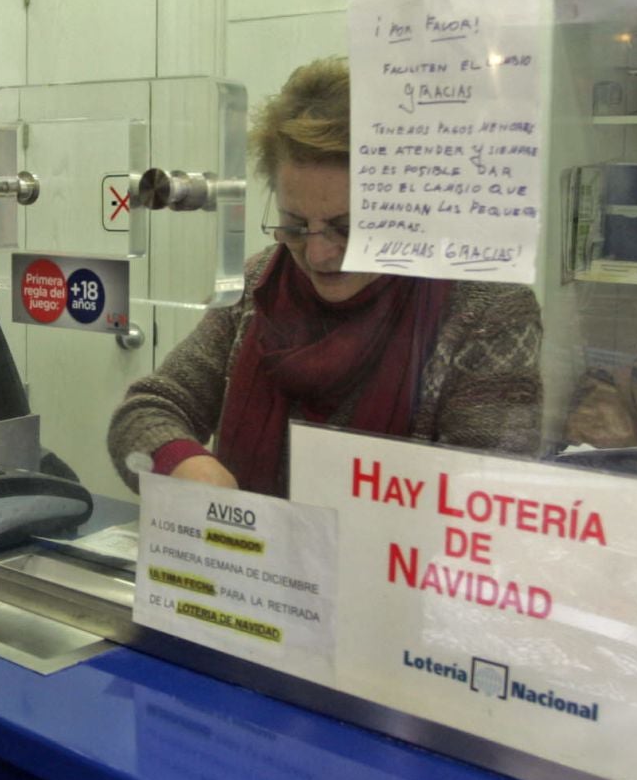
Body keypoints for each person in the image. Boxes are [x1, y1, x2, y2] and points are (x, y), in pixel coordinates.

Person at [107, 58, 543, 497]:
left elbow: (487, 502)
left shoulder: (483, 309)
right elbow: (147, 410)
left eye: (349, 228)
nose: (318, 254)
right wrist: (181, 464)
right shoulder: (261, 282)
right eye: (294, 224)